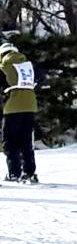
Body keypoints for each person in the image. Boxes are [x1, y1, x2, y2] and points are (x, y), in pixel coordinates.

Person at [1, 35, 38, 184]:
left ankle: (14, 173)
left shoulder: (4, 66)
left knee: (9, 142)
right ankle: (30, 172)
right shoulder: (28, 65)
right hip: (30, 106)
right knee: (26, 140)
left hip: (12, 107)